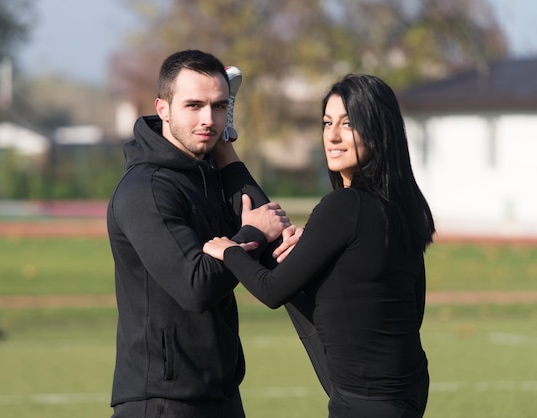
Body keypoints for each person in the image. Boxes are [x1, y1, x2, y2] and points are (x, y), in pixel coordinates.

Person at [203, 73, 436, 418]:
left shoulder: (345, 206)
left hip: (366, 399)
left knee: (276, 251)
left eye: (348, 124)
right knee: (281, 246)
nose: (333, 135)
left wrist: (230, 251)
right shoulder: (402, 206)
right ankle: (225, 144)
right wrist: (316, 252)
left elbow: (272, 291)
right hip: (405, 389)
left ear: (378, 130)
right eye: (328, 123)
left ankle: (224, 141)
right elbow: (412, 309)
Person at [106, 49, 292, 418]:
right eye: (194, 106)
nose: (208, 119)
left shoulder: (207, 172)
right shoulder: (147, 189)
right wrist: (251, 233)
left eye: (220, 107)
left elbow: (273, 232)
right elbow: (196, 286)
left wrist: (224, 147)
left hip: (219, 395)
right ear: (163, 109)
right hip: (163, 402)